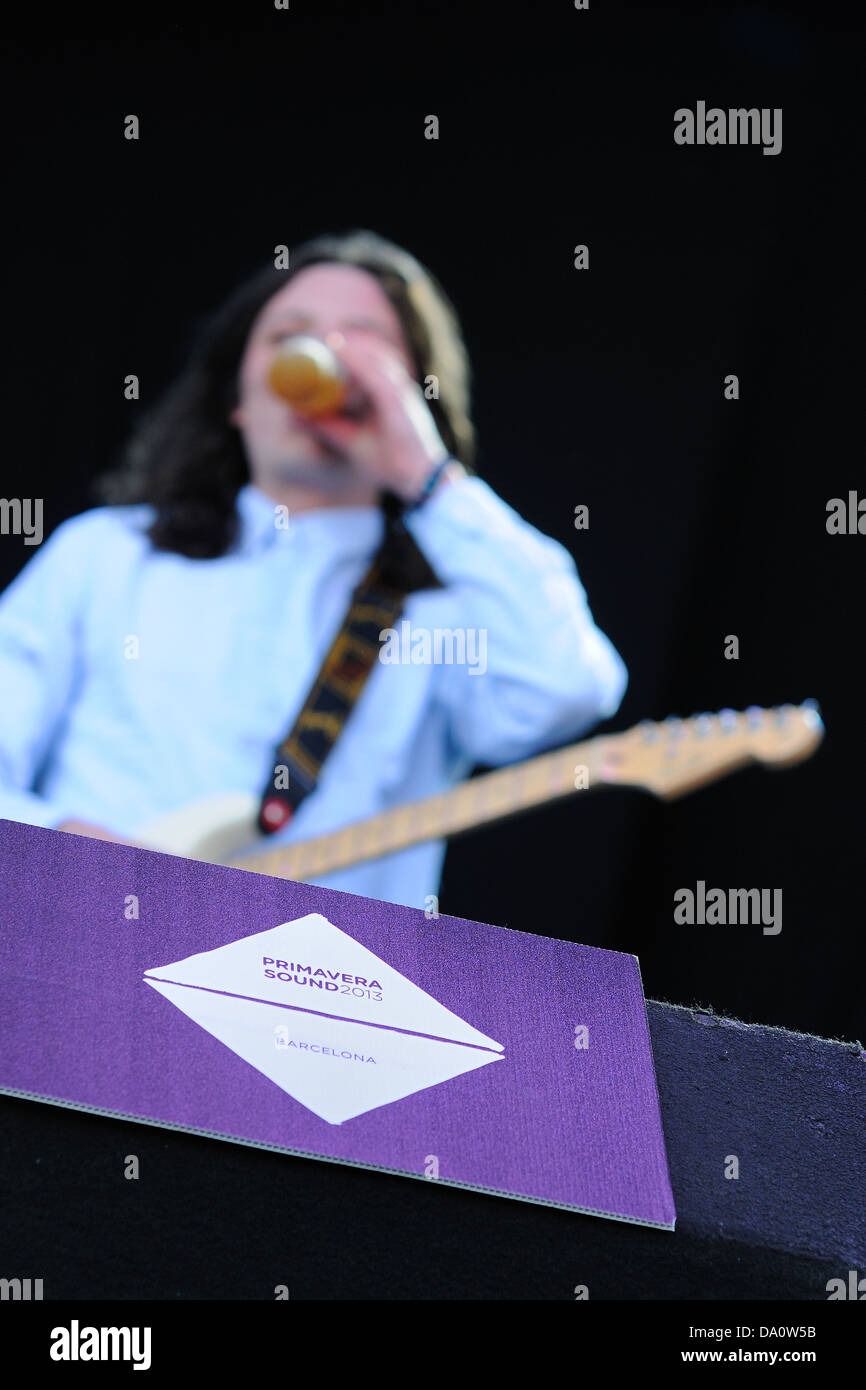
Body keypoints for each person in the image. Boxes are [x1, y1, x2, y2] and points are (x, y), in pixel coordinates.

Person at [0, 230, 627, 908]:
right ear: (238, 396)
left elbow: (567, 688)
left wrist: (428, 476)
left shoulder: (445, 607)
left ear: (412, 393)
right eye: (288, 337)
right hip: (80, 954)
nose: (323, 358)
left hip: (323, 998)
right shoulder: (106, 555)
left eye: (365, 341)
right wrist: (66, 841)